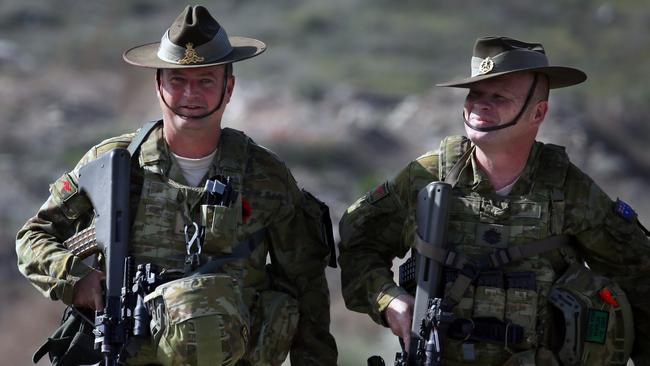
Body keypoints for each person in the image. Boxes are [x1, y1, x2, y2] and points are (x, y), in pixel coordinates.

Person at [16, 5, 338, 366]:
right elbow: (33, 237)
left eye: (205, 81)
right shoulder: (114, 164)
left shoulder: (266, 175)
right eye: (178, 81)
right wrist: (78, 280)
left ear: (228, 88)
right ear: (158, 86)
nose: (190, 95)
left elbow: (307, 287)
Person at [338, 36, 650, 365]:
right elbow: (358, 243)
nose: (480, 105)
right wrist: (389, 300)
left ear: (538, 113)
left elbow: (640, 277)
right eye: (475, 94)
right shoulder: (427, 177)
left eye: (498, 97)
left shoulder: (569, 191)